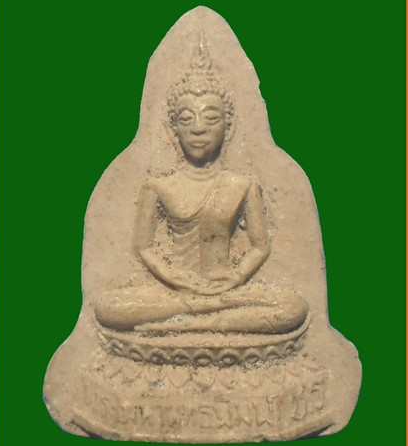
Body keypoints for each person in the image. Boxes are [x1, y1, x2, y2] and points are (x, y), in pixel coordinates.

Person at [94, 37, 308, 334]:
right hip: (175, 291)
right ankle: (201, 317)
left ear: (228, 127)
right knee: (107, 307)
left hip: (226, 290)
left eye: (210, 118)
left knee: (293, 307)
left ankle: (190, 323)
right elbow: (143, 247)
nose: (198, 128)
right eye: (186, 119)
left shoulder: (242, 184)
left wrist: (235, 278)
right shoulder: (158, 186)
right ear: (173, 130)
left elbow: (260, 246)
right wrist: (175, 279)